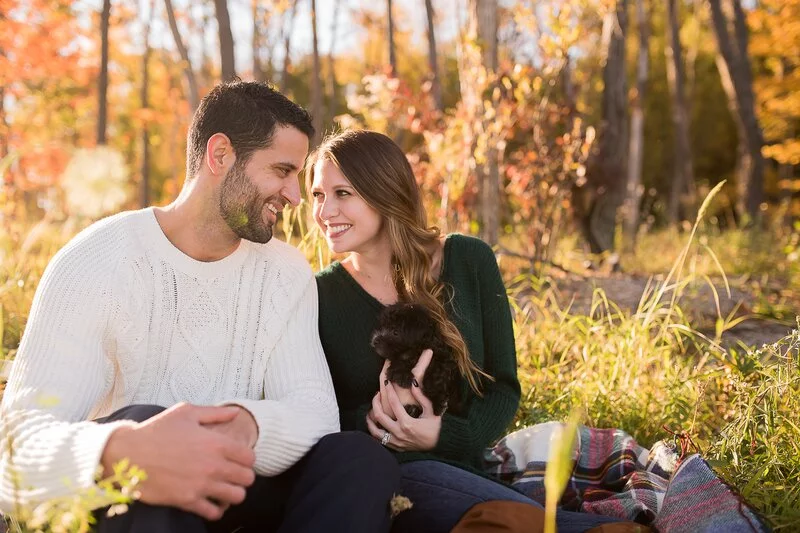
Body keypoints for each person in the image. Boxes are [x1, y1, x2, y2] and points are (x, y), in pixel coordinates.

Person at [0, 82, 400, 533]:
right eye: (282, 171)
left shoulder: (285, 272)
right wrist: (120, 449)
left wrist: (244, 425)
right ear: (220, 154)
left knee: (358, 459)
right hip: (132, 500)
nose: (295, 196)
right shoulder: (96, 260)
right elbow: (15, 445)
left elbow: (315, 410)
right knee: (145, 420)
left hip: (236, 487)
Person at [309, 129, 622, 532]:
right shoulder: (320, 295)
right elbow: (318, 412)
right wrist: (379, 419)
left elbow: (504, 389)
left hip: (467, 468)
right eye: (318, 195)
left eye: (342, 193)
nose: (324, 211)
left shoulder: (469, 260)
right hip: (383, 476)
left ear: (383, 190)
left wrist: (441, 433)